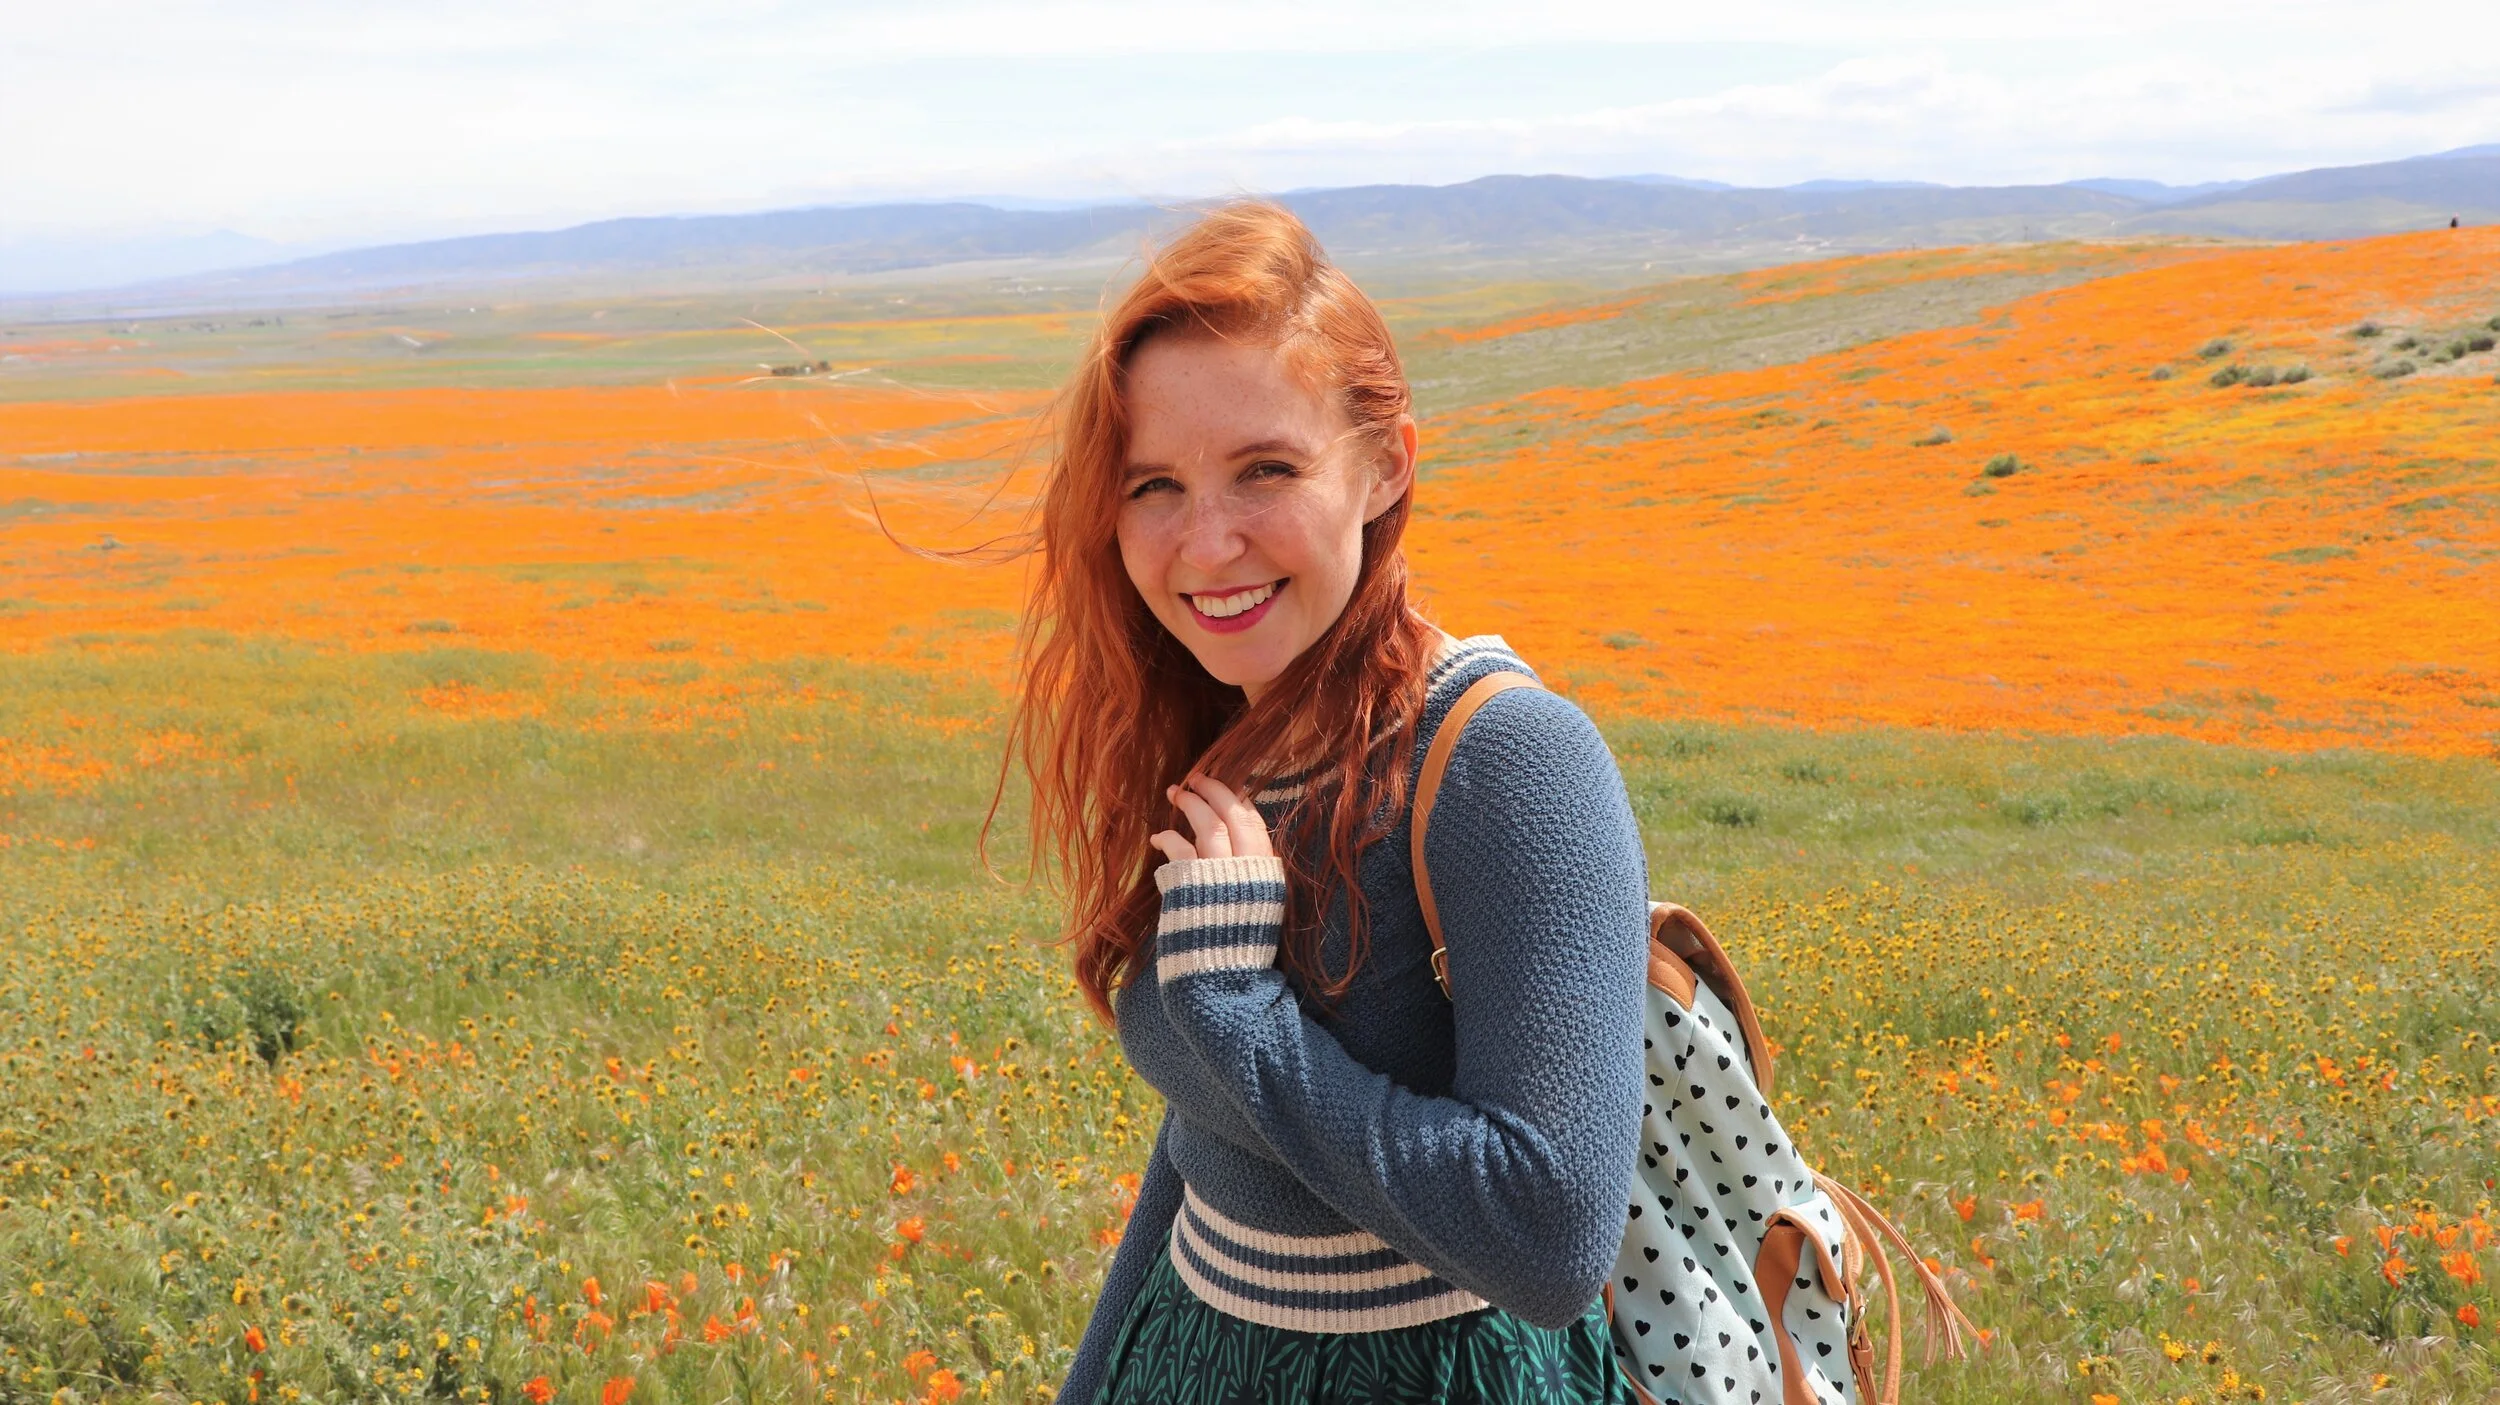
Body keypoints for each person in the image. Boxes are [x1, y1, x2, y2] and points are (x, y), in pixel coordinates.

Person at [1002, 200, 1652, 1404]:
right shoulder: (1225, 732)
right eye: (1153, 484)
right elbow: (1206, 1139)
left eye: (1266, 470)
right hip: (1191, 1356)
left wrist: (1238, 1008)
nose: (1206, 544)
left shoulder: (1509, 761)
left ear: (1385, 464)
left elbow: (1550, 1236)